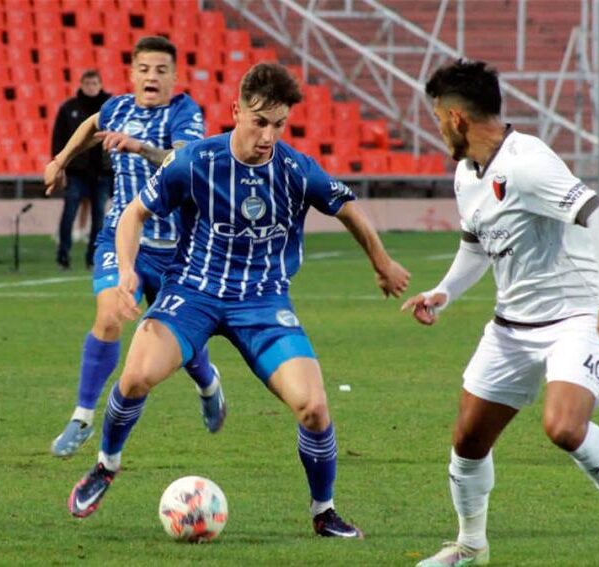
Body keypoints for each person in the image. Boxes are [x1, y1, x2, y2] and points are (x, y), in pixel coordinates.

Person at [66, 62, 412, 538]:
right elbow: (134, 215)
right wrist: (127, 271)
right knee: (136, 376)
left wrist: (382, 261)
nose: (268, 135)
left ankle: (323, 510)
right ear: (236, 112)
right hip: (192, 293)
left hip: (263, 302)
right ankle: (106, 465)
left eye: (278, 124)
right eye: (259, 122)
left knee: (313, 408)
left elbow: (346, 205)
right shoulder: (196, 161)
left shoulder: (294, 168)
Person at [402, 60, 599, 567]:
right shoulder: (466, 173)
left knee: (564, 427)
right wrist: (444, 292)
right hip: (511, 325)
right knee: (468, 439)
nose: (436, 128)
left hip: (576, 317)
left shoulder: (528, 162)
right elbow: (477, 246)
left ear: (457, 119)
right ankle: (471, 546)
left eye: (436, 117)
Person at [44, 36, 226, 458]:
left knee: (177, 343)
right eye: (144, 69)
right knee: (108, 315)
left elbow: (184, 160)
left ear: (174, 77)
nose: (152, 77)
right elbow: (92, 125)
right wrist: (60, 160)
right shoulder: (118, 108)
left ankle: (208, 382)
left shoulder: (184, 113)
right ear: (131, 73)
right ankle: (82, 416)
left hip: (176, 249)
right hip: (122, 238)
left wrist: (140, 147)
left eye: (161, 70)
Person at [51, 69, 113, 270]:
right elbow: (58, 139)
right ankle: (63, 256)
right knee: (68, 215)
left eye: (94, 84)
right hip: (77, 173)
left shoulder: (111, 107)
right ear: (81, 84)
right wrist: (59, 166)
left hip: (102, 174)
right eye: (87, 84)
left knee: (98, 219)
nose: (91, 87)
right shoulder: (69, 108)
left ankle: (92, 258)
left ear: (100, 84)